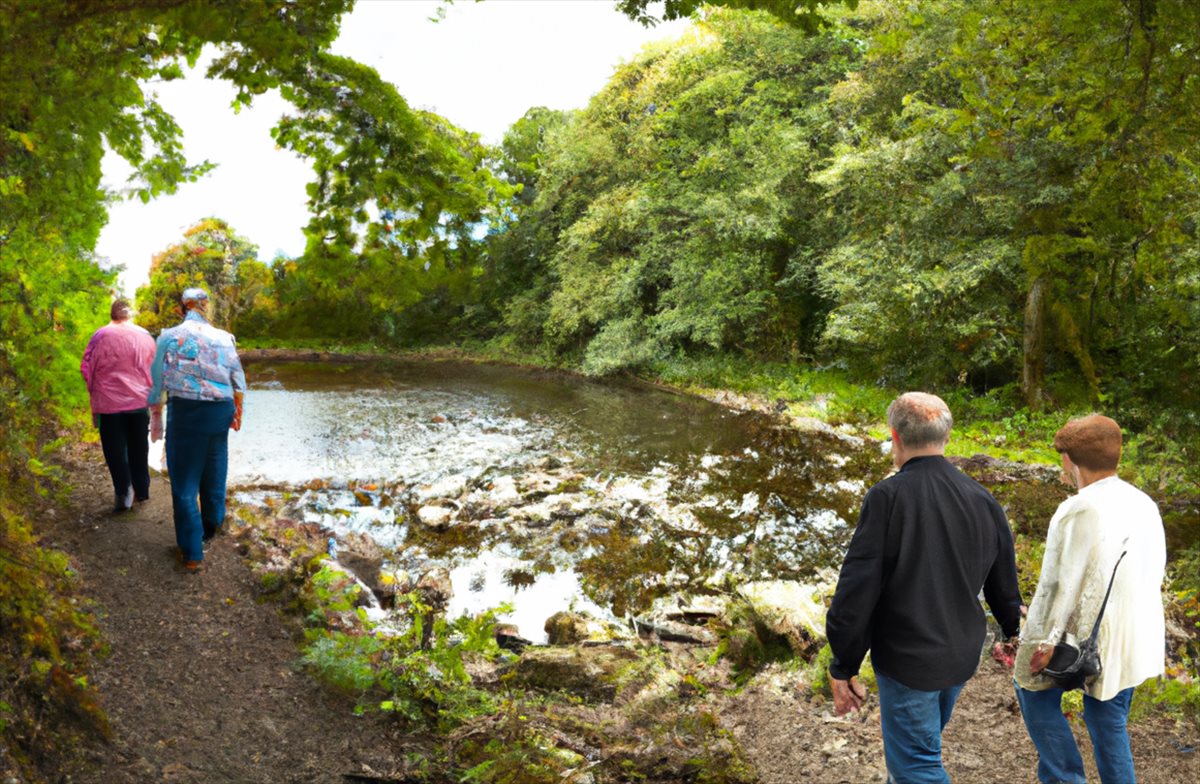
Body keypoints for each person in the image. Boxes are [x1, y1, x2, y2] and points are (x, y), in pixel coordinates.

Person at [825, 391, 1024, 784]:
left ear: (895, 437)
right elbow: (1005, 585)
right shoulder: (983, 500)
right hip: (960, 654)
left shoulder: (887, 497)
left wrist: (844, 662)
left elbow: (857, 588)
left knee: (917, 766)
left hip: (910, 658)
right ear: (947, 437)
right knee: (919, 751)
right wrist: (1013, 630)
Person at [1012, 414, 1165, 784]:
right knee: (1107, 720)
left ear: (1068, 460)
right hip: (1137, 634)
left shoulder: (1079, 508)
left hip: (1099, 637)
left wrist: (1044, 642)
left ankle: (1066, 778)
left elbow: (1058, 585)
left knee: (1030, 689)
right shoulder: (1142, 501)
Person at [147, 287, 246, 572]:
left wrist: (155, 413)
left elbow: (156, 382)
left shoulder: (167, 337)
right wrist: (237, 411)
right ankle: (212, 526)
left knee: (185, 481)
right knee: (215, 466)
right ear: (206, 307)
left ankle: (192, 552)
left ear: (182, 308)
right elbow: (238, 379)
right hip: (220, 410)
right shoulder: (225, 337)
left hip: (187, 412)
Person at [81, 299, 157, 512]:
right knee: (139, 447)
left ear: (112, 314)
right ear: (129, 315)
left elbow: (86, 366)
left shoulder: (100, 335)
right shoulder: (145, 336)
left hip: (109, 403)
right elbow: (155, 366)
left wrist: (94, 389)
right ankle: (142, 490)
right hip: (139, 402)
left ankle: (124, 492)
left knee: (115, 450)